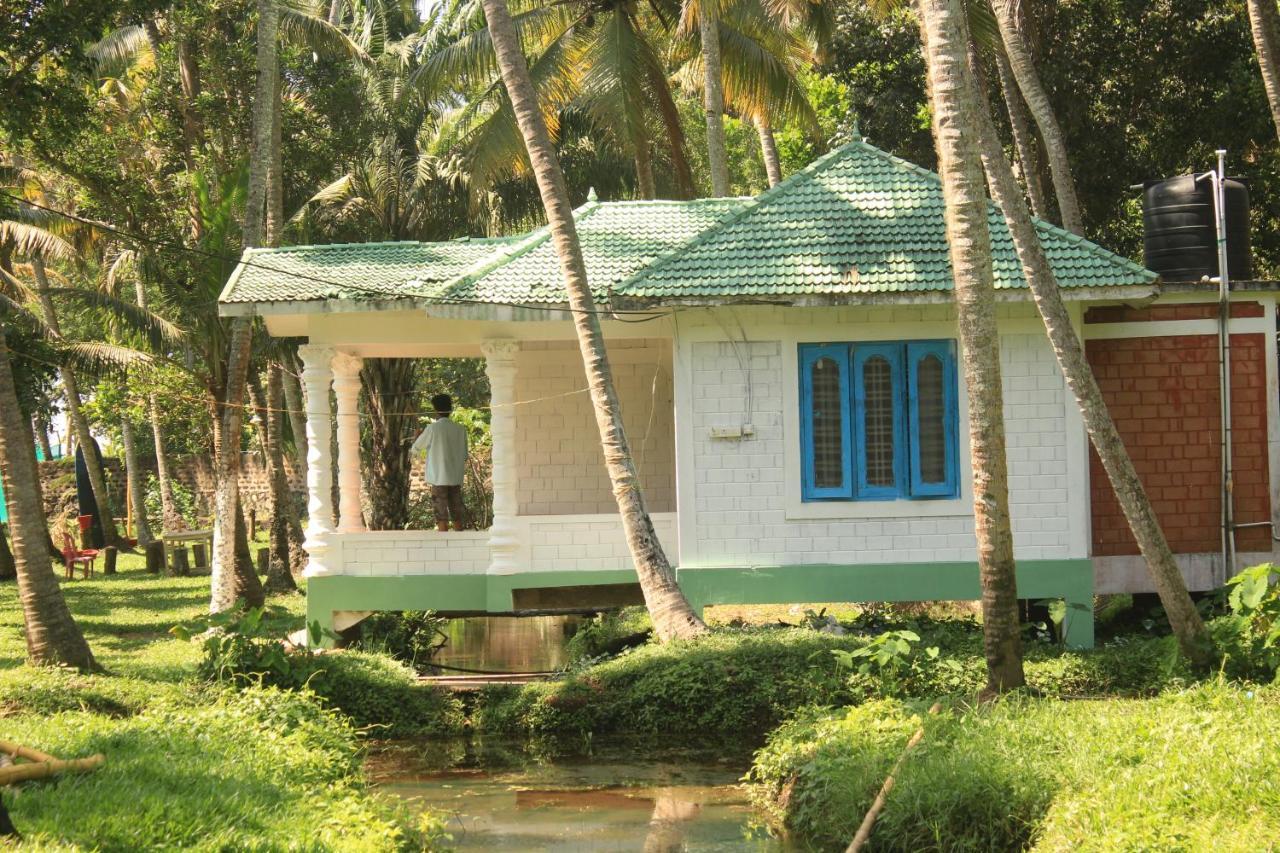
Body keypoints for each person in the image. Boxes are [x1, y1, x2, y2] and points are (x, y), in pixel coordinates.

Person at [410, 394, 469, 532]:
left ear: (435, 410)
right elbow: (465, 455)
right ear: (450, 409)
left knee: (440, 514)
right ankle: (459, 539)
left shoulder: (432, 429)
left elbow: (416, 448)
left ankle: (443, 541)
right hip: (455, 477)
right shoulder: (461, 430)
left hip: (438, 478)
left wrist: (416, 437)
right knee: (457, 512)